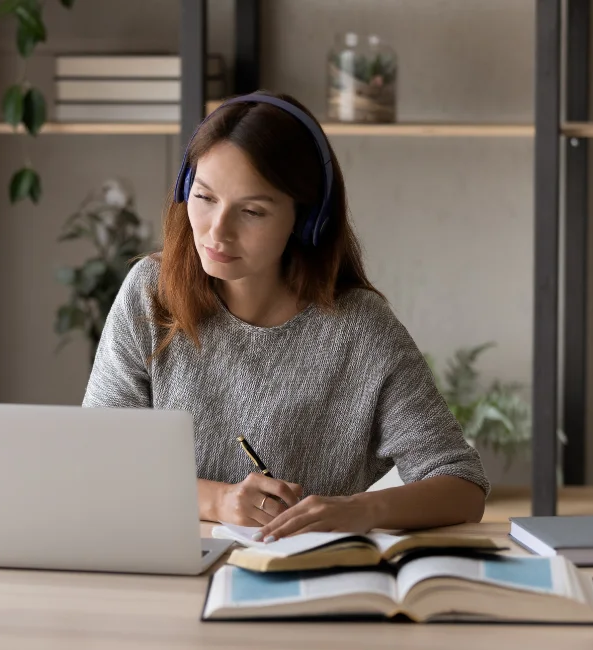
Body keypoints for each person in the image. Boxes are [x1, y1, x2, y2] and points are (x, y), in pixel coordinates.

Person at [82, 90, 489, 541]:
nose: (217, 231)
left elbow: (463, 485)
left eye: (252, 211)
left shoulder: (360, 328)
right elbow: (99, 464)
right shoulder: (150, 293)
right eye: (205, 197)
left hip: (303, 583)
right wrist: (218, 500)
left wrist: (360, 510)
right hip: (164, 570)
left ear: (306, 218)